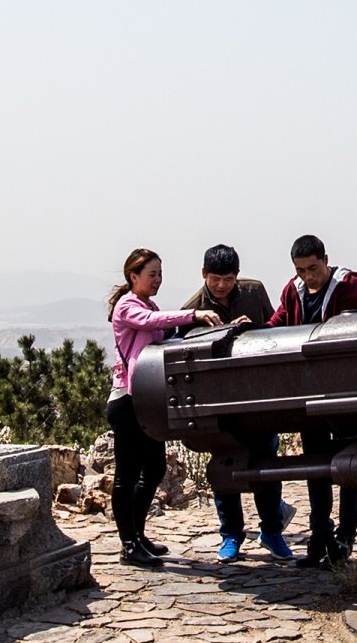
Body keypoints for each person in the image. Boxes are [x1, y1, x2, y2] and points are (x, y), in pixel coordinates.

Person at [106, 248, 219, 569]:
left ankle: (138, 536)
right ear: (133, 277)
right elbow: (153, 322)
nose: (157, 280)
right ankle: (128, 545)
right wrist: (192, 314)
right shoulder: (128, 307)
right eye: (151, 274)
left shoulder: (147, 305)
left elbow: (165, 331)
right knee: (126, 474)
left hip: (145, 401)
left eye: (160, 274)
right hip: (126, 402)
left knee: (154, 469)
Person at [185, 244, 295, 561]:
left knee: (268, 466)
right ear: (204, 275)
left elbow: (275, 332)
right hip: (220, 402)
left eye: (228, 279)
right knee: (226, 467)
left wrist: (253, 330)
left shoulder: (254, 291)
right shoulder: (193, 307)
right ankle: (231, 535)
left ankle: (272, 532)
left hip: (257, 395)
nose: (222, 286)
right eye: (215, 279)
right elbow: (186, 351)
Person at [273, 234, 357, 566]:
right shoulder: (292, 291)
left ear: (325, 260)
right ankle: (320, 537)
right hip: (309, 392)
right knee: (317, 466)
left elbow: (345, 330)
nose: (308, 277)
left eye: (313, 268)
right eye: (301, 270)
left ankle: (344, 538)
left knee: (348, 467)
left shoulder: (347, 287)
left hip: (342, 390)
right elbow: (279, 323)